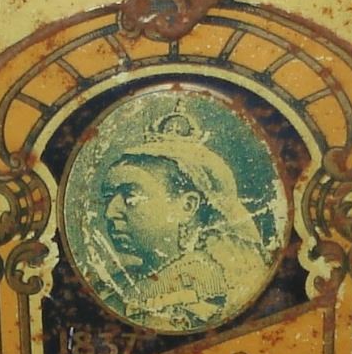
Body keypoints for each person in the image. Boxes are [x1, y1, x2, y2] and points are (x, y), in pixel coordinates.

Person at [91, 107, 275, 331]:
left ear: (187, 206)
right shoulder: (116, 284)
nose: (110, 213)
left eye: (131, 196)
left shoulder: (218, 286)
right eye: (109, 197)